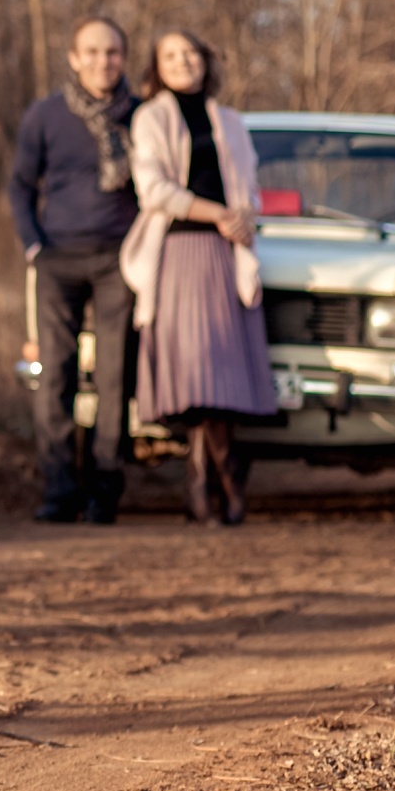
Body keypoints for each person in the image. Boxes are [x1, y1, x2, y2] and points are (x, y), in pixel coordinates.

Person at [121, 29, 274, 524]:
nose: (183, 62)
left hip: (227, 255)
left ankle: (208, 479)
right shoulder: (150, 117)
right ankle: (218, 481)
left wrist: (244, 216)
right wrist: (219, 214)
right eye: (171, 56)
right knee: (197, 373)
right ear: (157, 67)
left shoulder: (230, 121)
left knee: (222, 379)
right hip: (179, 252)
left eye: (191, 54)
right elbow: (155, 191)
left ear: (206, 62)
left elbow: (249, 188)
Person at [8, 15, 141, 523]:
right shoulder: (45, 115)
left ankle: (105, 491)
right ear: (73, 57)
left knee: (114, 376)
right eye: (91, 52)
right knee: (55, 376)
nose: (102, 62)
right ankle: (59, 491)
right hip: (57, 258)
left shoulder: (142, 115)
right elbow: (20, 185)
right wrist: (33, 246)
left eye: (112, 52)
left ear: (123, 58)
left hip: (117, 260)